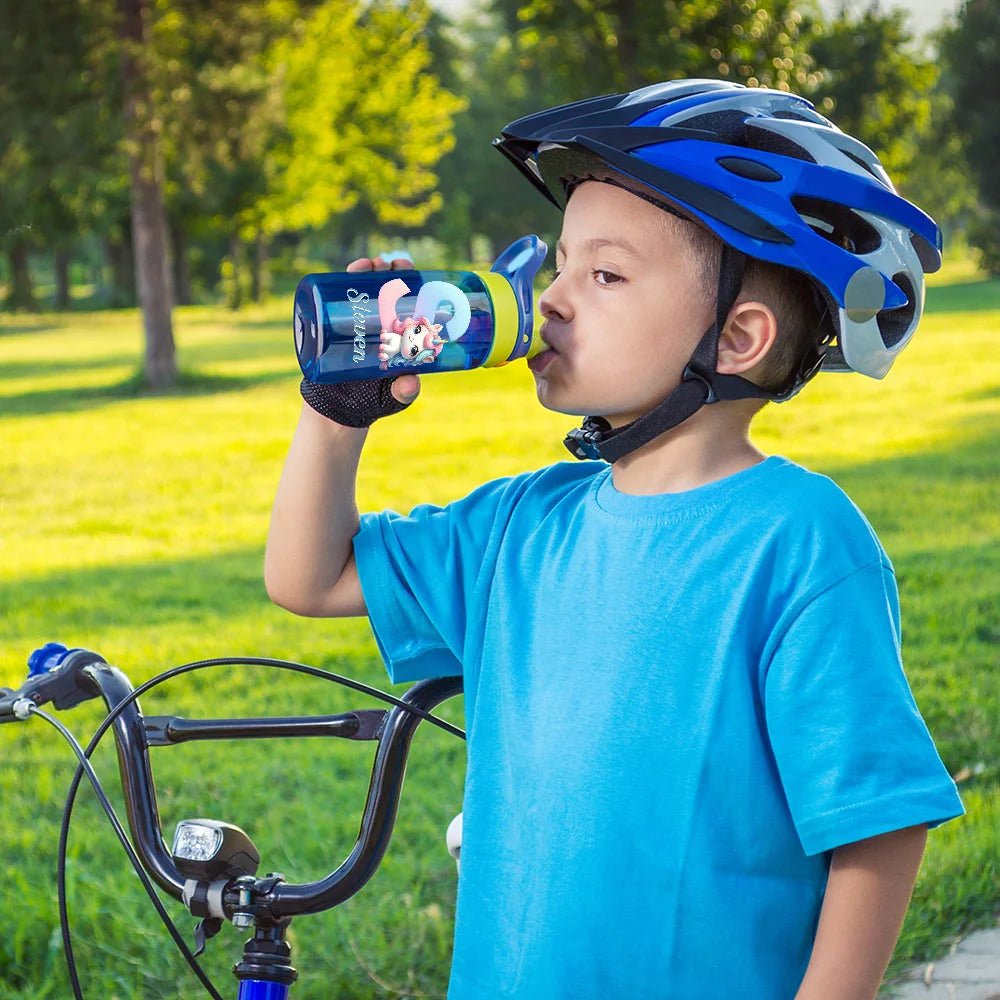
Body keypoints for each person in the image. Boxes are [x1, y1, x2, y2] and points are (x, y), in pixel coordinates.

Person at [265, 79, 964, 999]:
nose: (551, 299)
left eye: (606, 274)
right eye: (559, 265)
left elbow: (876, 829)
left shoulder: (799, 540)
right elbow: (307, 577)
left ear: (739, 337)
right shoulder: (520, 525)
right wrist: (335, 415)